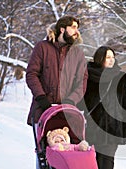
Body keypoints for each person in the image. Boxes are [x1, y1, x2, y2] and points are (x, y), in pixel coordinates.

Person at [25, 16, 88, 168]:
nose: (76, 31)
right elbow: (31, 74)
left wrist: (71, 100)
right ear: (62, 29)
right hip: (43, 110)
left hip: (67, 113)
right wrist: (41, 97)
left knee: (68, 153)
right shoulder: (42, 48)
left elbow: (82, 80)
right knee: (43, 153)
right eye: (73, 27)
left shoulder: (77, 54)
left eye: (77, 28)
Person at [82, 46, 126, 169]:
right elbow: (82, 101)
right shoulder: (88, 75)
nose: (111, 60)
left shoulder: (120, 77)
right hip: (91, 128)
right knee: (90, 163)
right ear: (100, 59)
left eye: (113, 57)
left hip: (112, 130)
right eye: (108, 57)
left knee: (107, 163)